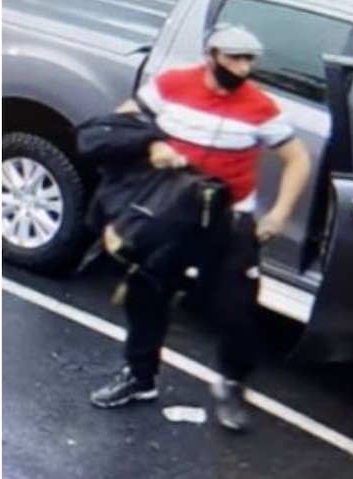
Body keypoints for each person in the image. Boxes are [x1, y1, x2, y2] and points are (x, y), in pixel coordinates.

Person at [89, 24, 312, 431]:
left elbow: (297, 159)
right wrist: (152, 147)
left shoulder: (261, 107)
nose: (243, 67)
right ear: (211, 55)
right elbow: (122, 122)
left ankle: (232, 381)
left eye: (249, 60)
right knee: (147, 293)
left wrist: (278, 214)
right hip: (172, 212)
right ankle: (139, 377)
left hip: (229, 218)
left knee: (236, 308)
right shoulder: (173, 84)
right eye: (234, 58)